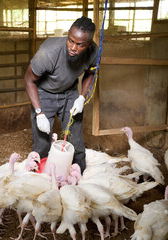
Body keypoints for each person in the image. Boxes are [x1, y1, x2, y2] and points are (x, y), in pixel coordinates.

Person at [24, 16, 98, 174]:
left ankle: (79, 178)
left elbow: (91, 73)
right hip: (44, 94)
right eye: (70, 41)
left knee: (75, 139)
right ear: (68, 35)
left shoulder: (94, 51)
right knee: (43, 143)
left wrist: (81, 97)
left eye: (79, 45)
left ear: (89, 45)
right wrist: (39, 112)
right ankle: (40, 181)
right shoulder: (49, 52)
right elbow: (29, 80)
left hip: (70, 93)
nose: (73, 47)